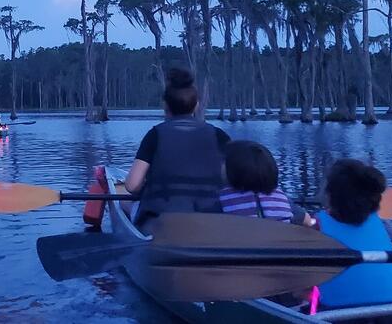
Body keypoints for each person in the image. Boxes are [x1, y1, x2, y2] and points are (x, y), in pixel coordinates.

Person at [124, 68, 230, 225]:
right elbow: (234, 180)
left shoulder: (155, 135)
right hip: (210, 221)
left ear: (165, 105)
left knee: (124, 204)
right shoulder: (219, 136)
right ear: (196, 105)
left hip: (162, 221)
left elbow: (132, 186)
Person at [313, 158, 392, 309]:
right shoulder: (384, 228)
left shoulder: (316, 227)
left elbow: (299, 291)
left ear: (330, 196)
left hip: (336, 316)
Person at [219, 140, 311, 226]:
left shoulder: (222, 198)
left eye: (223, 161)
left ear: (233, 169)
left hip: (240, 242)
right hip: (281, 241)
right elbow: (307, 220)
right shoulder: (280, 196)